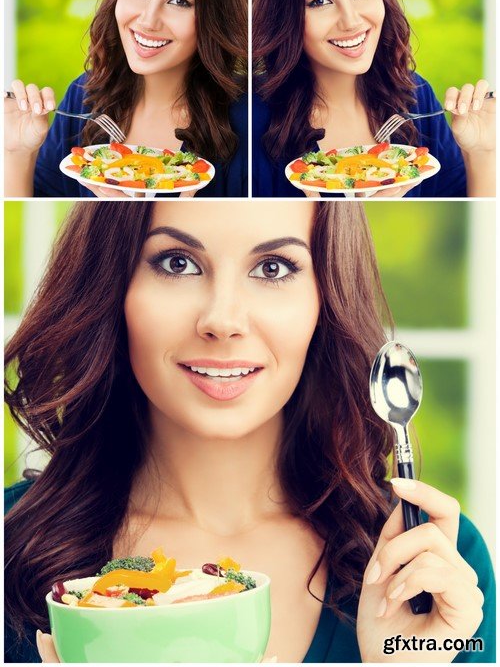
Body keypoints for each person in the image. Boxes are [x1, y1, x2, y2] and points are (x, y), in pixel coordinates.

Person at [4, 201, 494, 662]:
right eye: (177, 263)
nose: (223, 320)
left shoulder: (433, 566)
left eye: (273, 268)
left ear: (326, 298)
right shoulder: (11, 545)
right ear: (111, 285)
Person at [5, 0, 248, 199]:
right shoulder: (83, 96)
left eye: (179, 2)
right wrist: (18, 153)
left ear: (216, 14)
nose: (148, 21)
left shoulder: (247, 117)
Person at [252, 0, 496, 199]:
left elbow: (470, 216)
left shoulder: (416, 95)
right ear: (283, 13)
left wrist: (482, 153)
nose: (351, 22)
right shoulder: (253, 117)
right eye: (320, 2)